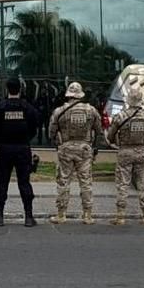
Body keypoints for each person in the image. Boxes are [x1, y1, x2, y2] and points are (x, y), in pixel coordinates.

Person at [47, 82, 103, 225]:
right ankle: (87, 215)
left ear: (68, 94)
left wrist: (57, 145)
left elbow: (51, 132)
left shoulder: (59, 111)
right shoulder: (91, 111)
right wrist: (95, 148)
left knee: (64, 181)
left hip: (65, 148)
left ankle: (61, 214)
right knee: (86, 182)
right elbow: (99, 131)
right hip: (84, 149)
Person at [0, 77, 40, 227]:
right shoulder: (27, 108)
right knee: (24, 182)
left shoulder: (0, 108)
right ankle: (29, 217)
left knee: (1, 182)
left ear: (6, 89)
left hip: (4, 148)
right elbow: (34, 128)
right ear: (20, 89)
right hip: (23, 148)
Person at [105, 88, 144, 225]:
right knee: (143, 185)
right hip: (142, 153)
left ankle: (120, 216)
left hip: (125, 153)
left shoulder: (120, 116)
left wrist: (114, 141)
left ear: (128, 100)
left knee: (123, 184)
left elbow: (110, 136)